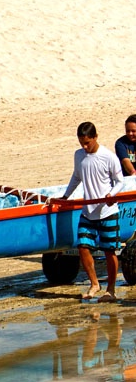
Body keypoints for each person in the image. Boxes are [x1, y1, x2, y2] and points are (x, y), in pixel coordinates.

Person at [60, 121, 124, 302]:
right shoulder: (78, 155)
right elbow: (76, 176)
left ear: (95, 137)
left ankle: (110, 289)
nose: (85, 147)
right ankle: (94, 283)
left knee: (110, 251)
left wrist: (111, 194)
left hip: (107, 211)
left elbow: (120, 181)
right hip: (88, 211)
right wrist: (66, 195)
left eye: (88, 143)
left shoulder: (108, 157)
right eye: (82, 143)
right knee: (82, 246)